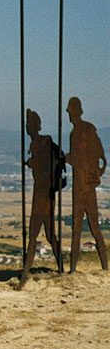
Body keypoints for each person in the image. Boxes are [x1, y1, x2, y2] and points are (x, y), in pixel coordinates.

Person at [18, 109, 65, 287]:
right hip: (40, 193)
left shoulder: (43, 142)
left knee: (45, 234)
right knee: (37, 234)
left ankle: (30, 271)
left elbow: (46, 166)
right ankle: (27, 271)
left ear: (35, 126)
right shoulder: (35, 144)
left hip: (44, 194)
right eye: (27, 124)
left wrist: (33, 163)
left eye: (29, 124)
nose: (27, 128)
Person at [66, 97, 107, 272]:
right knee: (77, 230)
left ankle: (105, 266)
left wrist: (96, 171)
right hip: (79, 187)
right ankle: (73, 269)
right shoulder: (74, 133)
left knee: (93, 228)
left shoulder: (87, 130)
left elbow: (100, 155)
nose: (69, 114)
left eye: (70, 111)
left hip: (86, 187)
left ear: (76, 111)